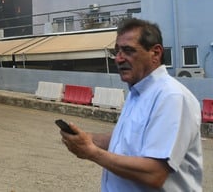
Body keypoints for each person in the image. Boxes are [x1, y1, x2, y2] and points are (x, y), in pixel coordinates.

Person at [59, 18, 203, 191]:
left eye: (128, 50)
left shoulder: (171, 97)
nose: (119, 59)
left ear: (155, 53)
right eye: (116, 51)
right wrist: (87, 139)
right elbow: (127, 140)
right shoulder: (138, 92)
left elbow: (154, 173)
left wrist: (92, 152)